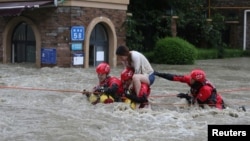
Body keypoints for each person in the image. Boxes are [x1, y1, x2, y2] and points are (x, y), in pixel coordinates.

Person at [154, 69, 225, 109]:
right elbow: (174, 77)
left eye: (192, 78)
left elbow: (197, 103)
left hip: (215, 105)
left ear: (197, 81)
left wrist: (186, 96)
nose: (189, 79)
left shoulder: (206, 89)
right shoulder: (191, 80)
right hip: (199, 97)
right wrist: (159, 74)